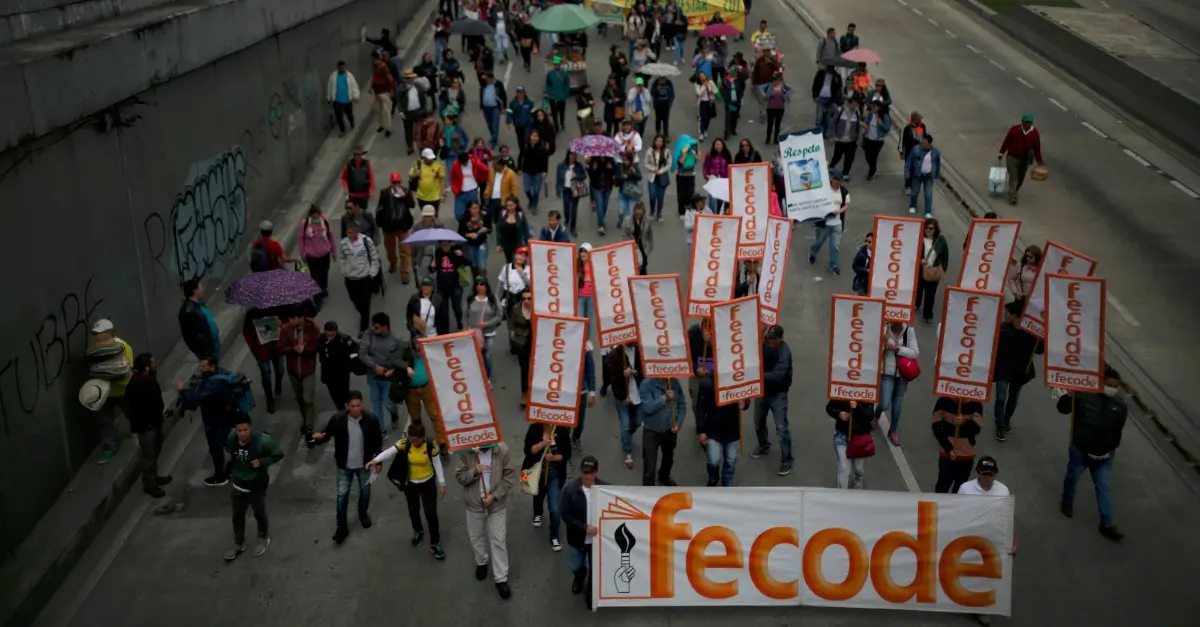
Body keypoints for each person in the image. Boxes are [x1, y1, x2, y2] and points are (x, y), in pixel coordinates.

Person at [1058, 367, 1128, 542]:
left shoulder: (1119, 403)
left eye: (1115, 386)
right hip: (1081, 449)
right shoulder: (1082, 394)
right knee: (1072, 477)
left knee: (1103, 487)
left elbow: (1119, 428)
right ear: (1101, 382)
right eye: (1109, 384)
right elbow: (1062, 408)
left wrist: (1112, 449)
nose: (1112, 388)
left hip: (1104, 455)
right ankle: (1067, 500)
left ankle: (1106, 524)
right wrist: (1068, 396)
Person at [310, 390, 382, 543]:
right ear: (346, 406)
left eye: (358, 405)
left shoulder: (371, 420)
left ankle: (362, 513)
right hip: (344, 465)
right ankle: (341, 527)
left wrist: (378, 461)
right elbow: (326, 434)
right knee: (342, 495)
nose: (356, 409)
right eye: (353, 406)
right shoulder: (338, 420)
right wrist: (319, 438)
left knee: (365, 490)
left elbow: (377, 441)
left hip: (365, 464)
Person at [369, 420, 448, 559]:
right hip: (410, 484)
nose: (414, 443)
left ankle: (435, 543)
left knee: (431, 513)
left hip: (428, 483)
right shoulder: (405, 443)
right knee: (413, 510)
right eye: (412, 440)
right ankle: (418, 531)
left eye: (417, 441)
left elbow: (437, 463)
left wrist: (442, 483)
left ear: (422, 438)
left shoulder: (430, 445)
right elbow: (389, 452)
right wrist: (375, 460)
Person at [455, 442, 517, 599]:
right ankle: (481, 561)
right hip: (474, 505)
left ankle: (501, 578)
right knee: (476, 536)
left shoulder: (502, 450)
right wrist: (474, 471)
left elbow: (509, 477)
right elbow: (460, 477)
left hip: (496, 506)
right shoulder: (465, 451)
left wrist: (494, 496)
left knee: (498, 540)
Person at [222, 413, 284, 561]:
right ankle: (239, 543)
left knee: (259, 512)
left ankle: (263, 537)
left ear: (250, 428)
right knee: (237, 515)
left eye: (245, 430)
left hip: (257, 484)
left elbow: (278, 454)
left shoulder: (263, 441)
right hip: (238, 484)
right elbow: (229, 451)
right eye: (239, 431)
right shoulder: (231, 438)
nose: (242, 434)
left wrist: (261, 462)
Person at [175, 355, 241, 486]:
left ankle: (220, 476)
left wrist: (181, 390)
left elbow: (195, 400)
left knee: (216, 447)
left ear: (212, 366)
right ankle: (234, 466)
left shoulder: (213, 382)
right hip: (227, 415)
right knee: (227, 442)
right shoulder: (222, 374)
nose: (200, 369)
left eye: (202, 366)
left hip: (215, 419)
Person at [992, 300, 1041, 441]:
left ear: (1014, 315)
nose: (1005, 315)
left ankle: (1006, 419)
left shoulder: (1030, 333)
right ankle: (999, 424)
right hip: (1003, 368)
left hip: (1020, 369)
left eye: (1007, 313)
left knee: (1013, 398)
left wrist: (1042, 338)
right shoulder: (1002, 328)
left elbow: (1039, 350)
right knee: (1001, 397)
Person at [748, 324, 794, 475]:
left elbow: (778, 375)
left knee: (781, 428)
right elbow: (754, 352)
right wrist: (760, 334)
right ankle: (763, 445)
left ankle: (787, 460)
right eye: (768, 338)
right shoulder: (765, 343)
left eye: (773, 339)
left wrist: (760, 376)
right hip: (762, 390)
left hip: (778, 393)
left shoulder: (784, 352)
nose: (770, 342)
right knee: (758, 421)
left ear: (781, 338)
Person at [561, 455, 605, 609]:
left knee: (595, 570)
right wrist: (584, 527)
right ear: (581, 472)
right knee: (576, 565)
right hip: (576, 539)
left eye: (590, 473)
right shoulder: (570, 490)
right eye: (585, 472)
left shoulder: (605, 490)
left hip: (596, 541)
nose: (587, 476)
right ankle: (579, 577)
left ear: (596, 472)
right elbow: (565, 515)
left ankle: (590, 594)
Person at [124, 353, 171, 497]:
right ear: (146, 367)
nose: (155, 365)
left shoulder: (148, 379)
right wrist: (144, 423)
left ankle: (154, 477)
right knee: (148, 456)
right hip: (146, 428)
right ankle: (149, 484)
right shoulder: (136, 385)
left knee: (155, 452)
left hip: (155, 423)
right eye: (152, 363)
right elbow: (130, 410)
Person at [523, 423, 572, 551]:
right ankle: (537, 512)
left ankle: (554, 535)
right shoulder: (534, 428)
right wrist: (542, 444)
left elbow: (567, 454)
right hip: (537, 474)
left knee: (555, 509)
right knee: (538, 496)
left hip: (555, 476)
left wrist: (554, 457)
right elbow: (528, 450)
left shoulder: (562, 431)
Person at [696, 369, 743, 486]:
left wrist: (745, 403)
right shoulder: (707, 384)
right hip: (713, 430)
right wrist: (701, 430)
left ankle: (727, 484)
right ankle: (713, 477)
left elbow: (746, 397)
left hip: (732, 429)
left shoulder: (738, 381)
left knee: (731, 461)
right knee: (713, 460)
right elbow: (700, 408)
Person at [637, 376, 686, 486]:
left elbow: (682, 404)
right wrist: (664, 398)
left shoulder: (674, 382)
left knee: (668, 459)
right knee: (649, 465)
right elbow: (647, 408)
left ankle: (664, 477)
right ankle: (648, 490)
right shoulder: (646, 384)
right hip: (651, 432)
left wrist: (678, 423)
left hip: (670, 430)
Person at [277, 310, 320, 439]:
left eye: (293, 318)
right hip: (293, 370)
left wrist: (305, 349)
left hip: (308, 370)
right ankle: (305, 418)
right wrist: (293, 349)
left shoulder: (313, 328)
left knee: (308, 399)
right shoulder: (286, 329)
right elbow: (280, 347)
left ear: (301, 318)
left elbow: (317, 348)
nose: (291, 321)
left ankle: (309, 426)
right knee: (300, 398)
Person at [875, 320, 919, 446]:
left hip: (902, 374)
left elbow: (915, 352)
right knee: (884, 403)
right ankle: (877, 414)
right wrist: (884, 344)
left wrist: (897, 349)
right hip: (887, 373)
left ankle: (893, 430)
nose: (896, 324)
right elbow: (875, 349)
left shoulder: (909, 331)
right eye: (894, 323)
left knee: (897, 404)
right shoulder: (884, 329)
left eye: (899, 323)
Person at [358, 312, 403, 428]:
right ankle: (380, 429)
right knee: (376, 403)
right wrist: (374, 366)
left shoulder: (396, 339)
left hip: (388, 375)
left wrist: (392, 371)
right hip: (373, 374)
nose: (374, 328)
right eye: (373, 325)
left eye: (377, 327)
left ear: (385, 327)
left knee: (389, 403)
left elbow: (401, 359)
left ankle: (394, 415)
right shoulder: (369, 334)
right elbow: (362, 353)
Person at [931, 397, 984, 493]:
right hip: (947, 453)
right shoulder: (943, 402)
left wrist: (964, 422)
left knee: (961, 488)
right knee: (942, 485)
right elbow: (936, 427)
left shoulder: (976, 404)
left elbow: (977, 429)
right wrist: (949, 448)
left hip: (967, 453)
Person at [338, 223, 381, 333]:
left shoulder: (366, 241)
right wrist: (345, 271)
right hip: (350, 278)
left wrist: (372, 273)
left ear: (357, 232)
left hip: (364, 277)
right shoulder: (344, 243)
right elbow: (342, 258)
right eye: (347, 233)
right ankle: (364, 315)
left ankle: (364, 328)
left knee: (365, 303)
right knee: (355, 300)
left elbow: (374, 257)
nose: (349, 235)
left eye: (351, 232)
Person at [375, 172, 415, 283]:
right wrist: (380, 222)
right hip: (389, 227)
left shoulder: (406, 191)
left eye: (398, 182)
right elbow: (380, 207)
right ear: (390, 182)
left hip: (403, 226)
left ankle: (405, 272)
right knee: (390, 250)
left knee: (405, 251)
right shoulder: (384, 192)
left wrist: (405, 196)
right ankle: (393, 262)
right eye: (394, 182)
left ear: (401, 182)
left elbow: (412, 205)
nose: (396, 184)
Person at [998, 113, 1045, 205]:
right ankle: (1013, 197)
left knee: (1020, 178)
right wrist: (1001, 152)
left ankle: (1013, 190)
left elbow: (1037, 148)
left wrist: (1040, 162)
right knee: (1013, 177)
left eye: (1029, 122)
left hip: (1025, 160)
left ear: (1032, 123)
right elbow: (1007, 141)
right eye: (1026, 122)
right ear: (1022, 122)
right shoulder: (1014, 129)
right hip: (1012, 157)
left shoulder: (1035, 133)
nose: (1027, 124)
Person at [808, 170, 850, 274]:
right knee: (818, 242)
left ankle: (833, 265)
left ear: (841, 181)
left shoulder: (844, 192)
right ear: (831, 179)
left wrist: (839, 211)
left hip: (837, 223)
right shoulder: (824, 190)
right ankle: (812, 253)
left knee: (835, 246)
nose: (836, 181)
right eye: (834, 179)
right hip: (823, 224)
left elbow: (847, 204)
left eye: (838, 180)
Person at [827, 398, 875, 489]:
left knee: (858, 467)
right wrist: (838, 413)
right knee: (843, 467)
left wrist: (858, 407)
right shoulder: (842, 391)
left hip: (859, 437)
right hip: (841, 434)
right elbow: (829, 407)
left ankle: (858, 478)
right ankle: (842, 494)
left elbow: (870, 415)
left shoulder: (867, 392)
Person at [466, 277, 503, 380]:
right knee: (477, 356)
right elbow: (465, 315)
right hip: (474, 333)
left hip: (489, 333)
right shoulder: (471, 299)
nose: (479, 287)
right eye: (477, 284)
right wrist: (466, 330)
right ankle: (479, 377)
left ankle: (487, 378)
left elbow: (499, 315)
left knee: (487, 356)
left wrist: (487, 324)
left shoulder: (493, 299)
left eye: (482, 284)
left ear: (487, 286)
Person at [298, 204, 337, 301]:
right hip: (312, 256)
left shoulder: (324, 221)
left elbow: (331, 236)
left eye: (318, 215)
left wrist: (334, 252)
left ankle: (323, 289)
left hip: (325, 253)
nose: (316, 217)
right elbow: (300, 238)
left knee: (324, 273)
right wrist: (302, 252)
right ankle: (317, 298)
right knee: (315, 277)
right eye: (314, 215)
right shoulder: (305, 223)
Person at [915, 217, 949, 325]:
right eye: (926, 228)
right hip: (920, 271)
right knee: (918, 290)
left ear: (935, 229)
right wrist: (919, 260)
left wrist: (943, 268)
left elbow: (946, 255)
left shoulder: (941, 240)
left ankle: (928, 315)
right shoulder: (919, 238)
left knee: (930, 294)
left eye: (930, 228)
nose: (927, 230)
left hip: (933, 271)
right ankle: (916, 304)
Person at [317, 321, 356, 411]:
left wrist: (351, 361)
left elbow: (355, 348)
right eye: (328, 335)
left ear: (337, 331)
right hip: (328, 374)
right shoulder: (321, 338)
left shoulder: (344, 339)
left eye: (332, 335)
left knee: (344, 396)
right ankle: (342, 411)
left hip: (342, 373)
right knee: (335, 396)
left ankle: (345, 413)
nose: (330, 337)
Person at [179, 278, 219, 360]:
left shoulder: (199, 305)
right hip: (206, 350)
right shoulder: (188, 312)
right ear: (194, 291)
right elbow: (190, 336)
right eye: (200, 287)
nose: (203, 289)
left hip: (212, 344)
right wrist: (205, 352)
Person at [827, 96, 863, 181]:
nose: (855, 107)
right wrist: (831, 136)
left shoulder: (857, 114)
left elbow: (858, 127)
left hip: (851, 140)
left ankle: (845, 173)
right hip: (840, 139)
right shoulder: (841, 111)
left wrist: (858, 138)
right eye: (854, 104)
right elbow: (833, 123)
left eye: (857, 105)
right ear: (849, 103)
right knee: (838, 155)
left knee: (849, 158)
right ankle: (832, 166)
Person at [906, 134, 941, 218]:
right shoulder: (916, 150)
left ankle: (928, 211)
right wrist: (907, 173)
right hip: (917, 175)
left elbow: (938, 164)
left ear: (930, 144)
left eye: (925, 143)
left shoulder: (935, 152)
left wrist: (936, 175)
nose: (923, 144)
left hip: (929, 177)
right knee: (914, 192)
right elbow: (909, 161)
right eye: (922, 142)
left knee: (928, 194)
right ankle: (913, 206)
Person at [410, 205, 447, 284]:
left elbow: (444, 242)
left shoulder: (440, 225)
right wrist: (413, 259)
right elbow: (413, 245)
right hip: (423, 256)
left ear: (434, 215)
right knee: (424, 281)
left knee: (436, 280)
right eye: (426, 216)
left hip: (436, 256)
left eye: (430, 216)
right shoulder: (417, 227)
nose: (428, 218)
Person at [518, 129, 551, 215]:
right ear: (530, 136)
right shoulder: (525, 145)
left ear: (539, 138)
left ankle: (534, 206)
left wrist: (545, 171)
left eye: (536, 136)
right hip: (527, 171)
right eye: (533, 136)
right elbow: (520, 157)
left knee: (536, 191)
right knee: (527, 189)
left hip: (538, 172)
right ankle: (532, 200)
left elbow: (545, 160)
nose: (534, 138)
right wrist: (519, 169)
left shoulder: (542, 147)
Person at [556, 152, 589, 237]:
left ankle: (573, 228)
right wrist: (558, 190)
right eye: (571, 155)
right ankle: (567, 219)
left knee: (574, 210)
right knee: (566, 208)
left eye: (574, 155)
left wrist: (576, 175)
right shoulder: (561, 166)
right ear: (568, 156)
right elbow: (558, 179)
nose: (573, 157)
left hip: (574, 190)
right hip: (566, 190)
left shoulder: (579, 166)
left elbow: (584, 176)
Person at [400, 69, 430, 155]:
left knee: (420, 129)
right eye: (408, 78)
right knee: (408, 130)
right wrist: (401, 112)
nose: (411, 80)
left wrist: (424, 110)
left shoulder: (419, 86)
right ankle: (410, 146)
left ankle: (421, 145)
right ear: (405, 79)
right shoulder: (401, 88)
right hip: (407, 113)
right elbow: (399, 101)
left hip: (418, 111)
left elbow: (423, 99)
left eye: (412, 78)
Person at [485, 155, 520, 225]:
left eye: (495, 165)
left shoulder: (510, 174)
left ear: (501, 165)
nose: (493, 166)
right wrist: (487, 192)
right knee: (493, 217)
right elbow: (489, 184)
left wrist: (514, 201)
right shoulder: (491, 171)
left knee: (502, 220)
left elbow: (514, 188)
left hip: (503, 201)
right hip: (492, 200)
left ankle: (501, 232)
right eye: (493, 164)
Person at [411, 148, 447, 217]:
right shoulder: (417, 164)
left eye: (432, 158)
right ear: (424, 158)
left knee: (434, 216)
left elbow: (442, 180)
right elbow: (410, 176)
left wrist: (443, 194)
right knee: (425, 216)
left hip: (434, 197)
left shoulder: (438, 166)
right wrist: (416, 174)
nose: (431, 159)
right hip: (421, 196)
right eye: (429, 158)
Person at [327, 60, 360, 135]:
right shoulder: (333, 76)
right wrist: (329, 97)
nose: (341, 69)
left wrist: (356, 96)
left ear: (344, 67)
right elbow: (329, 87)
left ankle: (351, 122)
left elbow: (354, 86)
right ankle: (342, 130)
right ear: (337, 68)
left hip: (347, 100)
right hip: (337, 101)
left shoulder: (349, 76)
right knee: (339, 116)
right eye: (340, 68)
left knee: (349, 114)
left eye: (343, 67)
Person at [861, 101, 891, 181]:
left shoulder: (884, 116)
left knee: (873, 156)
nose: (873, 108)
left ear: (879, 107)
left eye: (875, 106)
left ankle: (871, 172)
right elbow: (865, 122)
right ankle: (873, 168)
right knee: (867, 155)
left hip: (878, 140)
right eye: (873, 106)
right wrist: (864, 123)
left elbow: (887, 128)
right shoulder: (870, 115)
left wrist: (880, 123)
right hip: (868, 138)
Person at [458, 201, 492, 273]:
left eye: (477, 208)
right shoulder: (464, 219)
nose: (476, 210)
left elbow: (490, 229)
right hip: (470, 244)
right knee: (473, 265)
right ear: (469, 209)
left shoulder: (484, 216)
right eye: (473, 208)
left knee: (481, 266)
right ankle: (476, 283)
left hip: (482, 243)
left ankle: (483, 283)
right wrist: (468, 235)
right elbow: (460, 233)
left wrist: (486, 230)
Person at [899, 112, 927, 194]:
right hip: (909, 152)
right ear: (915, 120)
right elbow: (902, 140)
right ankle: (907, 186)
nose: (921, 121)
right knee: (908, 170)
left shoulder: (922, 126)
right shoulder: (906, 128)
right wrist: (901, 152)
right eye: (919, 119)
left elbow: (924, 138)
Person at [614, 150, 643, 230]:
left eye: (627, 160)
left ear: (630, 160)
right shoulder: (620, 167)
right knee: (621, 211)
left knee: (631, 212)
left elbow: (640, 177)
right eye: (624, 160)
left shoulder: (634, 167)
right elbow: (616, 177)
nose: (625, 162)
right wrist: (621, 177)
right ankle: (620, 220)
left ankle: (630, 226)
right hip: (622, 193)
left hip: (632, 193)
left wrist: (634, 173)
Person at [589, 155, 616, 235]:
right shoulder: (594, 160)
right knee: (600, 205)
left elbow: (615, 171)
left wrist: (611, 168)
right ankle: (601, 226)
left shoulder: (610, 160)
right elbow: (589, 174)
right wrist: (593, 168)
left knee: (604, 205)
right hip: (597, 187)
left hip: (607, 187)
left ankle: (601, 219)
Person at [702, 138, 731, 213]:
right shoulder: (709, 154)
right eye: (716, 144)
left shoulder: (727, 155)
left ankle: (718, 213)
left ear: (723, 145)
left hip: (723, 179)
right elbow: (706, 166)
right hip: (713, 179)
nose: (718, 146)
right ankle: (712, 214)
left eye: (719, 144)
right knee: (712, 199)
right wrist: (706, 175)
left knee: (720, 199)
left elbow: (730, 166)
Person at [624, 202, 654, 274]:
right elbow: (624, 235)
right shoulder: (627, 221)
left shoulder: (648, 221)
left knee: (643, 266)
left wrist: (649, 249)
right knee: (632, 266)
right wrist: (631, 243)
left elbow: (650, 236)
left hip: (643, 247)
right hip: (632, 247)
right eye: (636, 214)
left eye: (640, 214)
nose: (638, 216)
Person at [369, 56, 395, 137]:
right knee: (379, 110)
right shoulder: (375, 67)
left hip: (384, 92)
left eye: (374, 59)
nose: (373, 61)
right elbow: (374, 79)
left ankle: (388, 129)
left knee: (386, 111)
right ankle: (382, 125)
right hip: (377, 93)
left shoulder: (383, 67)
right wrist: (371, 87)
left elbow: (390, 79)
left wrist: (391, 90)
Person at [480, 72, 508, 147]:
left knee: (495, 124)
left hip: (495, 107)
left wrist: (504, 107)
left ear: (491, 78)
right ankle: (493, 136)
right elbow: (481, 94)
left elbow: (504, 96)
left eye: (488, 79)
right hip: (486, 108)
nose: (487, 80)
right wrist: (481, 106)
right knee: (489, 125)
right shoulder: (484, 84)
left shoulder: (498, 84)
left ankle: (494, 140)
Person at [674, 139, 699, 217]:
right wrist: (686, 152)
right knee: (681, 194)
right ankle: (681, 212)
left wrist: (694, 151)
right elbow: (680, 161)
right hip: (681, 175)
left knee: (690, 194)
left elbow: (698, 159)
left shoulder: (693, 151)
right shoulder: (680, 151)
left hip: (691, 175)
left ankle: (689, 210)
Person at [545, 57, 572, 130]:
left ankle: (562, 123)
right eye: (555, 64)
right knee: (554, 112)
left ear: (560, 64)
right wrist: (547, 93)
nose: (556, 65)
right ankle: (556, 126)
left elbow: (567, 84)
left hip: (561, 96)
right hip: (552, 96)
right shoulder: (550, 74)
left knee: (562, 111)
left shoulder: (565, 73)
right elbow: (548, 84)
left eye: (558, 64)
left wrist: (566, 94)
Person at [507, 85, 536, 152]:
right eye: (518, 92)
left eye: (521, 92)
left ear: (524, 93)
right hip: (518, 124)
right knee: (520, 138)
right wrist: (508, 121)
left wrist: (533, 119)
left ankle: (528, 149)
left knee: (526, 137)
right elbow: (509, 112)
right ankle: (522, 149)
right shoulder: (513, 103)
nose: (519, 94)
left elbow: (533, 111)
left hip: (527, 124)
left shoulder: (529, 102)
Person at [722, 65, 746, 139]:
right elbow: (722, 88)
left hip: (736, 101)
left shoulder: (739, 80)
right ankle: (727, 132)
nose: (730, 74)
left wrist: (740, 97)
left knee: (734, 116)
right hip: (729, 101)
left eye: (732, 73)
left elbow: (742, 88)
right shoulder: (726, 80)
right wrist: (725, 96)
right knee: (728, 116)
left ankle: (733, 129)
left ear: (736, 73)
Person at [694, 72, 718, 141]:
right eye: (700, 76)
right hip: (702, 102)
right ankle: (701, 133)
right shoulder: (697, 85)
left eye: (703, 75)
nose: (702, 77)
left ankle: (705, 130)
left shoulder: (710, 82)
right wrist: (704, 86)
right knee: (702, 118)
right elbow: (699, 93)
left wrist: (712, 91)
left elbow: (716, 91)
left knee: (708, 118)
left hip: (710, 102)